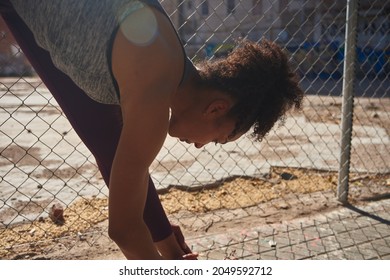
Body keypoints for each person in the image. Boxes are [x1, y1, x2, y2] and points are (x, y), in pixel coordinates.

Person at [0, 0, 304, 259]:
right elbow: (123, 229)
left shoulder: (163, 48)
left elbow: (111, 148)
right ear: (216, 108)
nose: (200, 146)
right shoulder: (153, 93)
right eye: (218, 139)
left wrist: (164, 238)